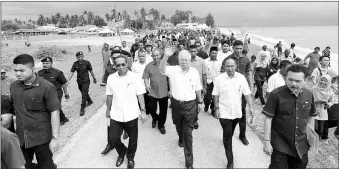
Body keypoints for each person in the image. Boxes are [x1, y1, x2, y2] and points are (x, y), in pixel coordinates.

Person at [10, 54, 60, 169]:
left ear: (32, 69)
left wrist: (55, 138)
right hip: (22, 138)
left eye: (22, 70)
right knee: (23, 166)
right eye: (16, 70)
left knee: (46, 166)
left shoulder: (47, 87)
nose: (18, 74)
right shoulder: (14, 86)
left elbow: (55, 112)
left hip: (42, 138)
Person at [262, 64, 316, 169]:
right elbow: (268, 118)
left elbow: (311, 116)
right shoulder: (275, 95)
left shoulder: (309, 95)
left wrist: (311, 137)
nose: (293, 84)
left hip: (301, 144)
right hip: (280, 143)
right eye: (290, 80)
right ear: (285, 78)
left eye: (298, 81)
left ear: (305, 80)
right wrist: (267, 141)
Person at [160, 49, 203, 169]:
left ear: (189, 61)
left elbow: (198, 87)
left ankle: (189, 163)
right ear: (178, 60)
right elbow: (162, 70)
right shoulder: (173, 70)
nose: (184, 62)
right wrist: (165, 57)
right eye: (181, 59)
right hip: (176, 105)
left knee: (188, 134)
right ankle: (180, 136)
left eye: (186, 59)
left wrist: (200, 102)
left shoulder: (194, 72)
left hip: (190, 105)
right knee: (178, 125)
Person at [105, 55, 148, 169]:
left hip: (131, 113)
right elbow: (109, 95)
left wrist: (143, 111)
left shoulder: (134, 77)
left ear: (127, 64)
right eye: (118, 65)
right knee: (113, 138)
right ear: (114, 66)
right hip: (116, 113)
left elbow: (140, 94)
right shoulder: (111, 78)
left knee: (133, 139)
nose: (121, 67)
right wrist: (108, 110)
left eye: (123, 64)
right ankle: (122, 151)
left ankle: (130, 157)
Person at [213, 57, 254, 169]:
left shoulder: (241, 78)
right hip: (224, 113)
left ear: (236, 66)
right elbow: (215, 94)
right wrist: (216, 108)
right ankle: (230, 161)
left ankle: (227, 137)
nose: (230, 68)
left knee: (230, 132)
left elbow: (247, 93)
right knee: (227, 136)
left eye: (232, 66)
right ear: (224, 67)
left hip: (237, 113)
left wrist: (251, 107)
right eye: (227, 66)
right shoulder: (219, 79)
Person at [220, 40, 254, 146]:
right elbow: (222, 75)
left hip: (242, 91)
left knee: (242, 114)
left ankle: (242, 135)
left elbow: (248, 73)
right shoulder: (227, 60)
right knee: (230, 113)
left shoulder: (246, 59)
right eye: (237, 48)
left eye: (240, 48)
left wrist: (251, 86)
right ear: (233, 48)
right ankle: (228, 134)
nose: (239, 50)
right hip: (230, 91)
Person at [143, 49, 169, 134]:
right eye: (154, 55)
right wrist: (147, 84)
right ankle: (155, 118)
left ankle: (161, 125)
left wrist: (171, 90)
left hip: (164, 92)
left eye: (157, 55)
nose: (155, 57)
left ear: (160, 55)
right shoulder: (148, 66)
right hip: (152, 92)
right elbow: (146, 77)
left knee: (163, 110)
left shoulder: (166, 65)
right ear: (151, 56)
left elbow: (171, 78)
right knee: (151, 108)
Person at [38, 57, 70, 125]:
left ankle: (61, 120)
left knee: (55, 106)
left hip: (56, 92)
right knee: (48, 107)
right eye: (43, 63)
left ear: (51, 64)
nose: (45, 65)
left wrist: (66, 94)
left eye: (47, 63)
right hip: (45, 93)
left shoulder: (58, 73)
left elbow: (64, 84)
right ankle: (63, 119)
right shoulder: (40, 73)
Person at [68, 51, 97, 116]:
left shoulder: (87, 62)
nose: (80, 58)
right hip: (79, 81)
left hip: (86, 81)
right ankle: (89, 101)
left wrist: (94, 78)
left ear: (83, 56)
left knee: (84, 93)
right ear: (76, 57)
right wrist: (67, 80)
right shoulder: (75, 64)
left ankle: (82, 108)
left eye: (81, 57)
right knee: (83, 92)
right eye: (78, 57)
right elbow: (71, 72)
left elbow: (91, 71)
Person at [311, 75, 334, 144]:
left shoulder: (330, 91)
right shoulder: (314, 88)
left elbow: (331, 101)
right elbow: (308, 98)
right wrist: (315, 102)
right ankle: (312, 140)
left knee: (321, 129)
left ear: (329, 82)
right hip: (313, 110)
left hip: (323, 111)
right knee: (315, 127)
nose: (323, 82)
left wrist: (328, 104)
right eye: (322, 80)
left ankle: (317, 140)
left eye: (325, 81)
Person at [189, 44, 208, 130]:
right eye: (191, 51)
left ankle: (195, 120)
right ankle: (190, 120)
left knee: (198, 106)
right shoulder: (186, 61)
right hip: (188, 87)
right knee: (189, 106)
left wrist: (204, 86)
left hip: (198, 88)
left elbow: (204, 74)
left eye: (194, 51)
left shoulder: (201, 61)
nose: (193, 53)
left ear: (197, 51)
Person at [204, 46, 221, 117]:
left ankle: (213, 110)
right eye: (212, 53)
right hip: (208, 82)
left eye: (215, 53)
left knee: (215, 96)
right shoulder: (205, 61)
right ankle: (206, 104)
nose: (214, 54)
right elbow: (203, 73)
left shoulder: (220, 62)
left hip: (217, 82)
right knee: (207, 97)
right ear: (209, 53)